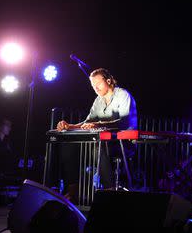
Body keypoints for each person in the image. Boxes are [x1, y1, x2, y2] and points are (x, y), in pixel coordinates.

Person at [56, 68, 138, 201]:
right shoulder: (98, 100)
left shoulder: (123, 95)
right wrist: (70, 126)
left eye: (98, 84)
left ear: (109, 81)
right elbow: (88, 121)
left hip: (123, 143)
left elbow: (124, 121)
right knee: (69, 146)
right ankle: (72, 192)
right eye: (93, 85)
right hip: (101, 143)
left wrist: (99, 124)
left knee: (97, 147)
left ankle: (109, 191)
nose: (95, 88)